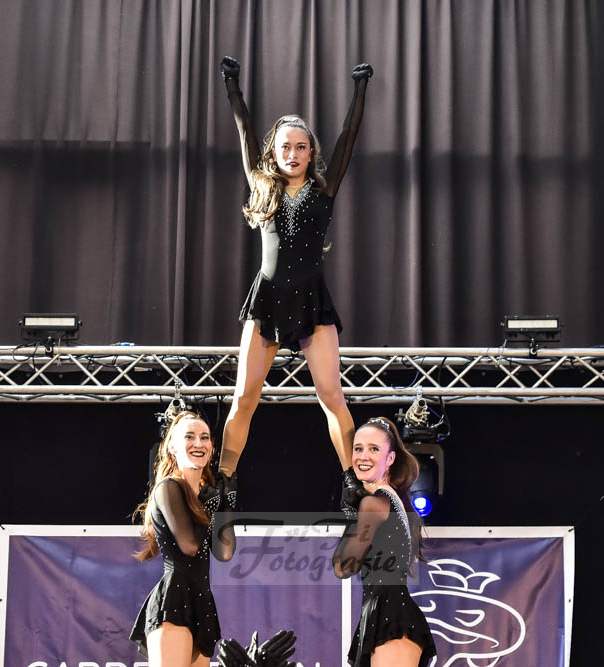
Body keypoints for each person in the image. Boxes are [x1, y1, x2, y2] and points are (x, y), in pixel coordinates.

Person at [216, 55, 373, 487]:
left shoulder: (325, 189)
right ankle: (224, 482)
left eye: (301, 147)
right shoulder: (262, 184)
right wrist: (232, 85)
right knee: (244, 398)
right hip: (267, 298)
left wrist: (360, 89)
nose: (293, 154)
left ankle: (353, 482)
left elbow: (349, 135)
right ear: (273, 151)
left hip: (311, 299)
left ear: (311, 153)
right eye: (285, 146)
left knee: (332, 395)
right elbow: (245, 130)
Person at [130, 411, 236, 666]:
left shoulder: (206, 493)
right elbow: (189, 546)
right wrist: (209, 506)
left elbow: (224, 552)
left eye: (205, 437)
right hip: (174, 600)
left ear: (212, 446)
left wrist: (226, 505)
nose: (198, 443)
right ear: (172, 447)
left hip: (202, 602)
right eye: (189, 436)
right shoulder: (169, 487)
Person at [334, 417, 437, 667]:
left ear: (390, 458)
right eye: (358, 448)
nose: (363, 456)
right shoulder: (389, 500)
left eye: (374, 449)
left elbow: (344, 566)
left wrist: (352, 514)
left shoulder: (375, 504)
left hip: (391, 616)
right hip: (385, 611)